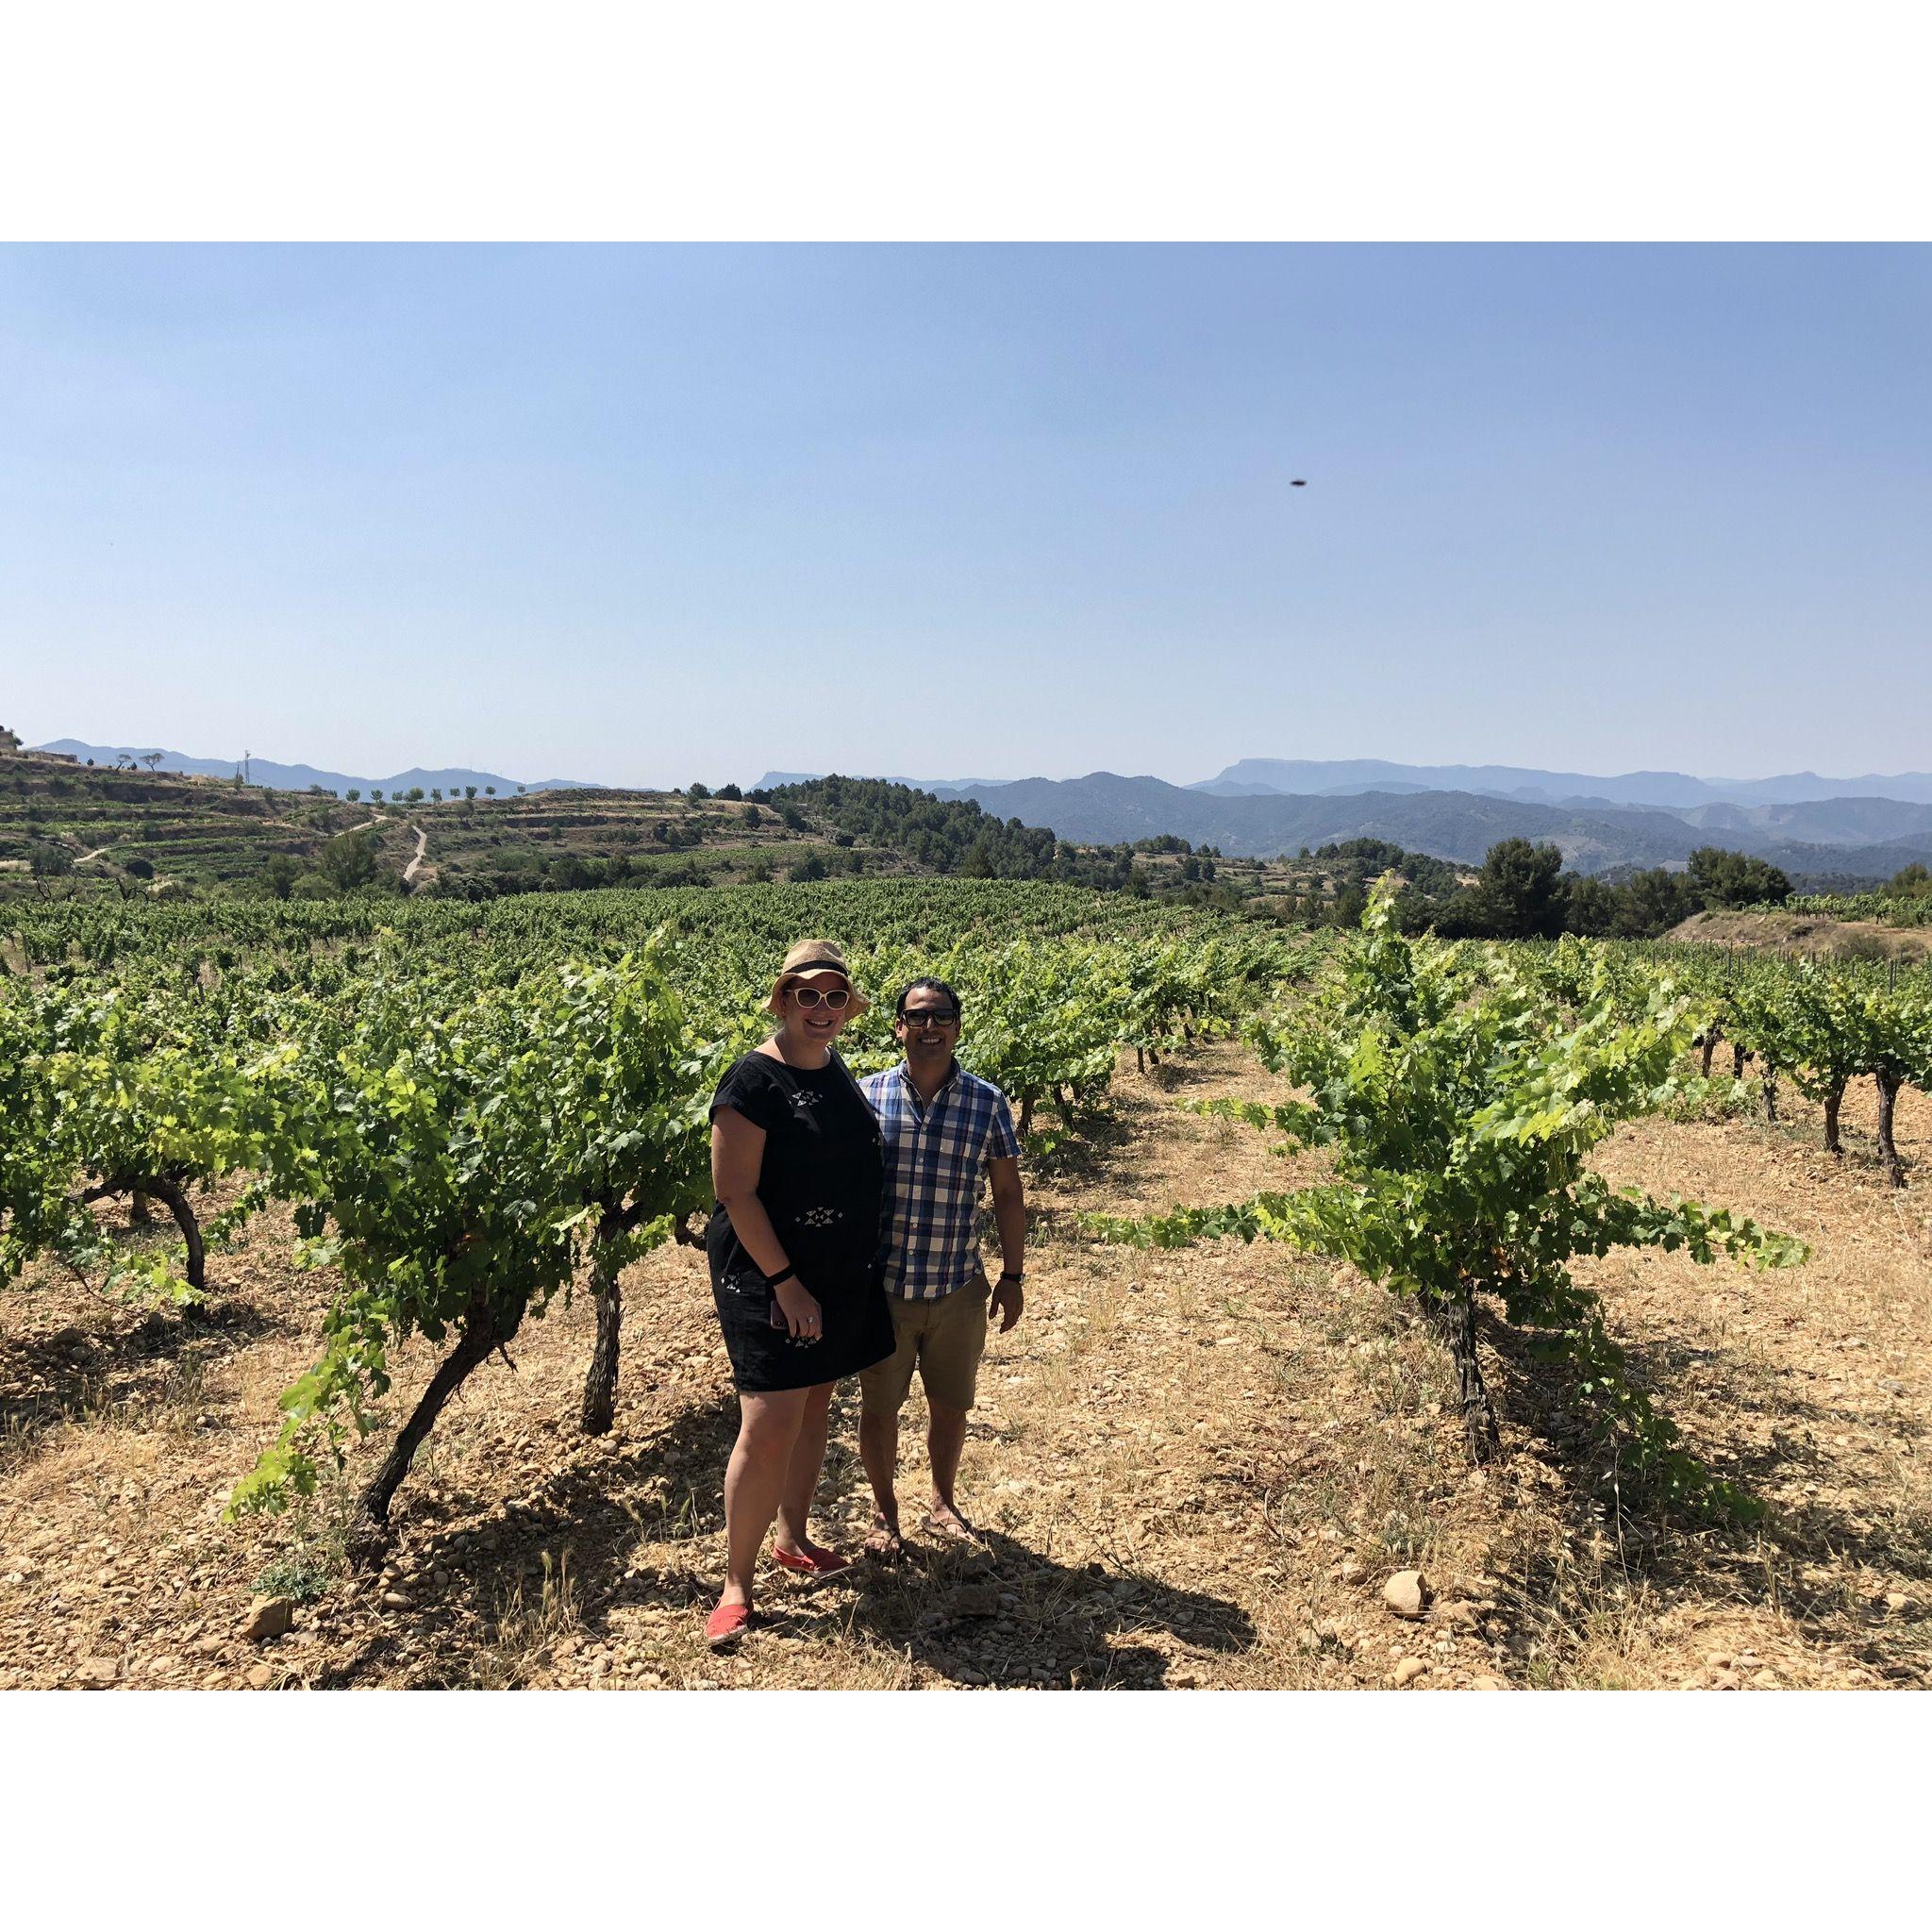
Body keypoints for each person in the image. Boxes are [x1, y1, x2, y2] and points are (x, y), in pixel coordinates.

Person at [702, 940, 894, 1649]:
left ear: (848, 1007)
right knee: (769, 1421)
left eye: (834, 995)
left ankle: (793, 1538)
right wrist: (785, 1285)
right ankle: (736, 1586)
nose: (821, 1008)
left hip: (837, 1274)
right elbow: (735, 1192)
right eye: (805, 994)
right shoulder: (753, 1081)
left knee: (816, 1401)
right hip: (770, 1277)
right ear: (782, 1000)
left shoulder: (833, 1066)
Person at [858, 976, 1026, 1554]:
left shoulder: (987, 1101)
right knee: (879, 1408)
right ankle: (885, 1517)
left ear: (957, 1026)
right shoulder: (866, 1096)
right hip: (884, 1287)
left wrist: (1013, 1275)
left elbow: (1007, 1192)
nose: (930, 1027)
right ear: (899, 1026)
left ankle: (942, 1502)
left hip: (957, 1286)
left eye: (941, 1017)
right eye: (917, 1017)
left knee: (950, 1404)